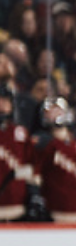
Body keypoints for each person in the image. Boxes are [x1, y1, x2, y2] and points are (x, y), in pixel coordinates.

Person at [32, 98, 76, 224]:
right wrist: (35, 195)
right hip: (52, 211)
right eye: (50, 111)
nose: (54, 114)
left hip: (75, 212)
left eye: (58, 110)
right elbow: (35, 174)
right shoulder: (42, 143)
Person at [0, 83, 34, 221]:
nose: (1, 105)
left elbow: (32, 165)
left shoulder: (20, 133)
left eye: (5, 100)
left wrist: (34, 194)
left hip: (16, 208)